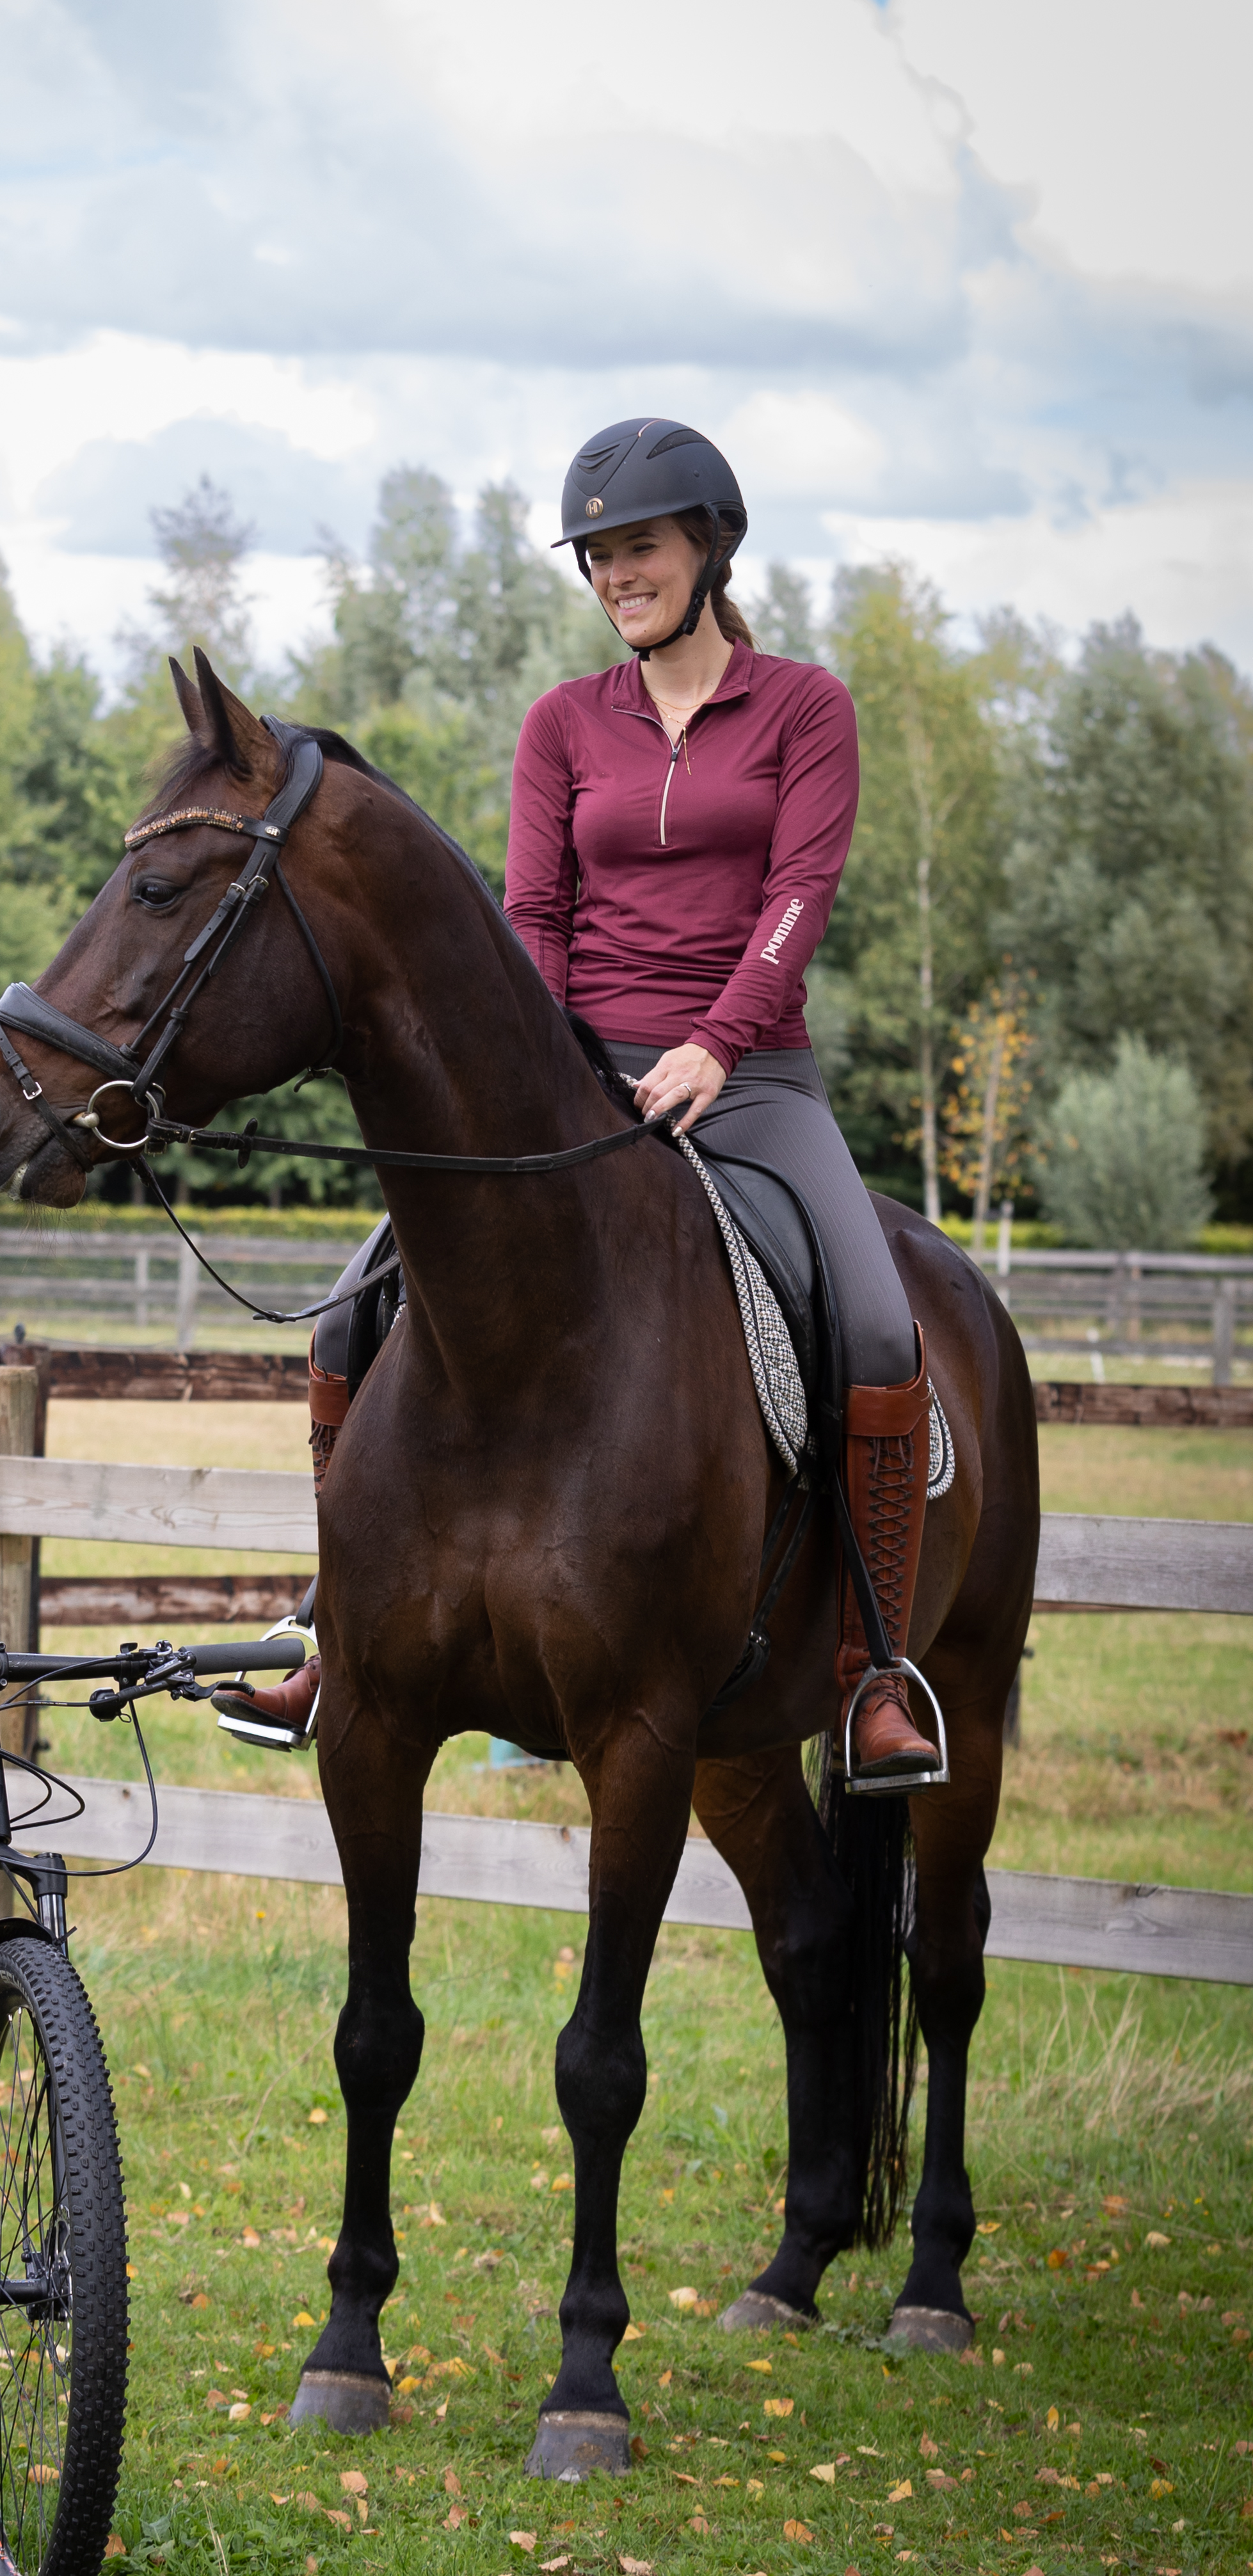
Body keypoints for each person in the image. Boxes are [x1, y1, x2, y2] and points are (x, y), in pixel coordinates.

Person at [502, 416, 941, 1785]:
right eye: (595, 556)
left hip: (752, 1077)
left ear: (709, 547)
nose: (613, 574)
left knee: (874, 1326)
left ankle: (873, 1670)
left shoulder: (805, 707)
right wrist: (557, 1068)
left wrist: (708, 1045)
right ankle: (339, 1625)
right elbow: (533, 910)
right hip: (583, 1077)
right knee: (359, 1300)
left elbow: (796, 896)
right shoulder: (563, 722)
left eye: (637, 547)